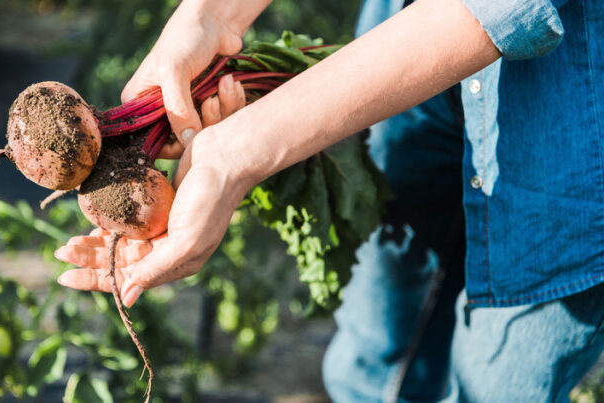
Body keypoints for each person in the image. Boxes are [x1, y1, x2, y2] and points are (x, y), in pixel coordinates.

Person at [54, 0, 604, 401]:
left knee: (498, 382)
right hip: (403, 42)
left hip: (567, 122)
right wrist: (210, 15)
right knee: (376, 347)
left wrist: (239, 152)